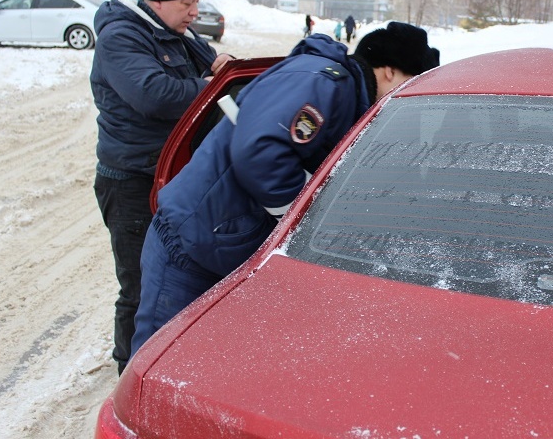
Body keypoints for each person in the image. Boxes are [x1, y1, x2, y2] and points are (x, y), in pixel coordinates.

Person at [131, 22, 440, 356]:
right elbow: (260, 152)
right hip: (192, 247)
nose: (403, 98)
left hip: (227, 249)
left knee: (202, 363)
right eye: (410, 82)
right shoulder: (323, 83)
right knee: (158, 361)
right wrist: (302, 219)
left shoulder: (350, 100)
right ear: (390, 71)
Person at [90, 0, 234, 375]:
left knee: (176, 277)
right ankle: (129, 375)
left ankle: (166, 364)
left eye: (197, 2)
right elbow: (153, 95)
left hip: (172, 175)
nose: (194, 12)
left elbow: (214, 68)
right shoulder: (121, 37)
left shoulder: (178, 34)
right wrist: (210, 86)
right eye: (187, 3)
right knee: (140, 286)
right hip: (132, 181)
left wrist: (222, 67)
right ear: (158, 1)